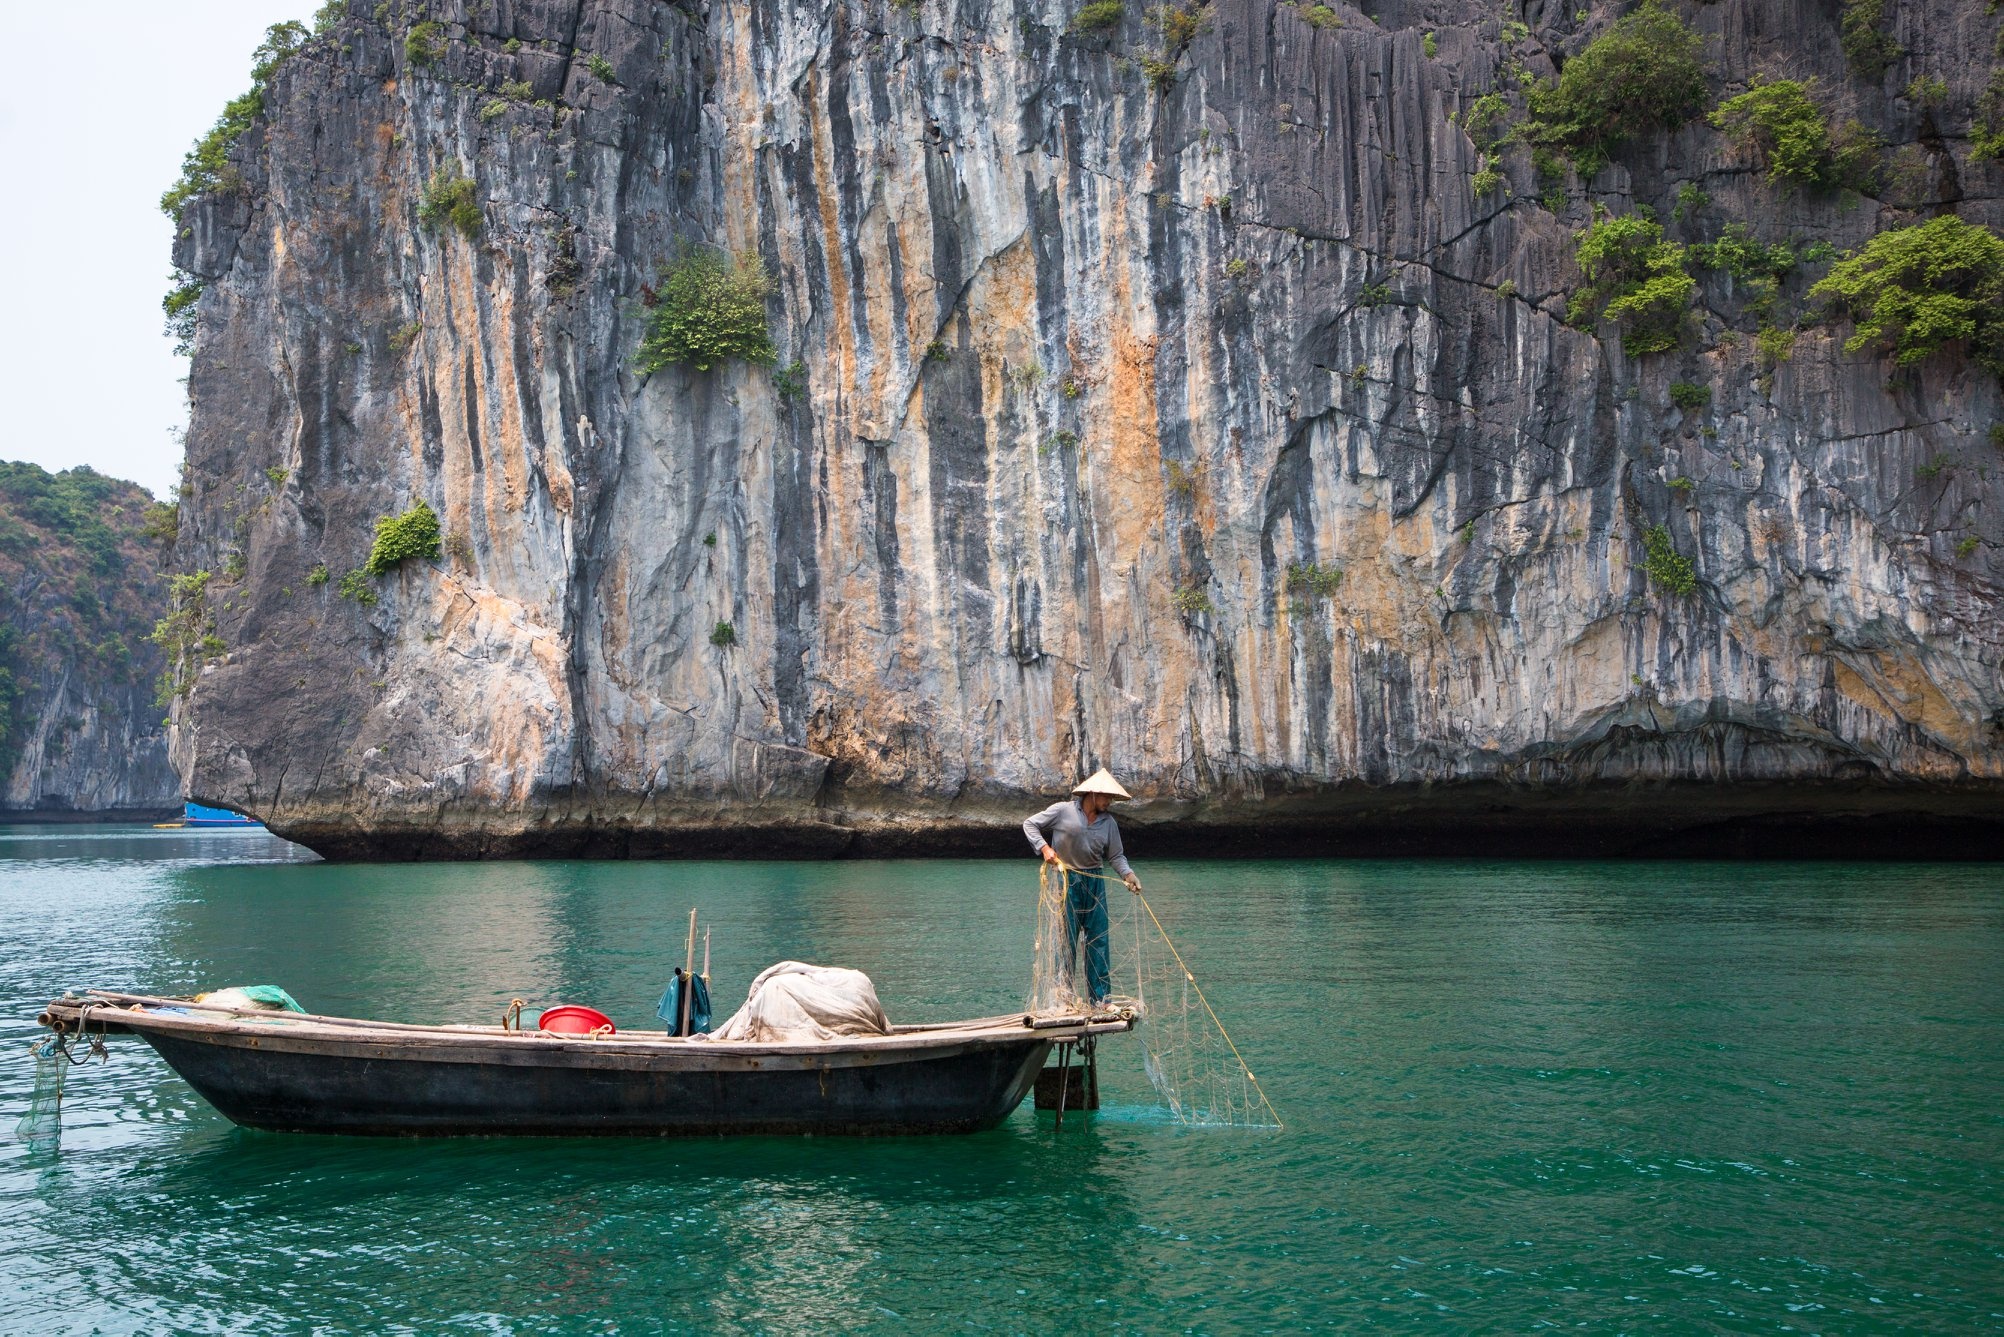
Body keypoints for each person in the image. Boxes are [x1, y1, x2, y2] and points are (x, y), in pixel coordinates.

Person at [1022, 769, 1142, 1008]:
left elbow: (1116, 856)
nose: (1109, 802)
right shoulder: (1062, 811)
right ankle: (1063, 997)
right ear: (1093, 793)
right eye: (1106, 797)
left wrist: (1129, 875)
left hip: (1095, 881)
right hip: (1066, 880)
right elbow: (1030, 824)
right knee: (1065, 940)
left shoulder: (1109, 823)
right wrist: (1044, 849)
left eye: (1111, 798)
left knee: (1098, 940)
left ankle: (1101, 1000)